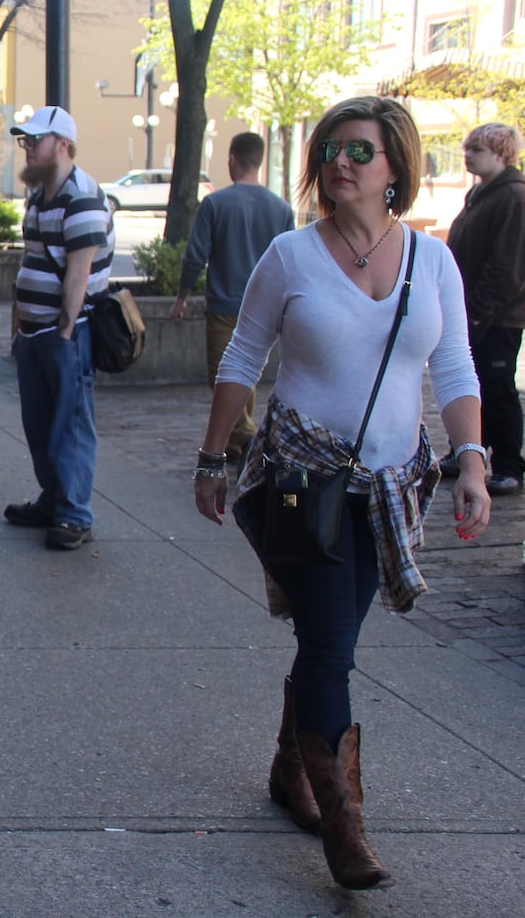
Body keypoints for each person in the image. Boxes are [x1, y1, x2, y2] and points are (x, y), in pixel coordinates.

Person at [194, 96, 488, 890]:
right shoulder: (291, 256)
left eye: (359, 151)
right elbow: (241, 359)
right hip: (301, 481)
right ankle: (344, 824)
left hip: (392, 487)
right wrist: (213, 459)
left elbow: (455, 367)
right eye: (330, 150)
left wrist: (471, 458)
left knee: (331, 644)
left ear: (397, 165)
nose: (340, 164)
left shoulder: (434, 261)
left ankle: (292, 765)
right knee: (330, 646)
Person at [3, 105, 113, 550]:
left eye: (35, 141)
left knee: (69, 425)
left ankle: (74, 514)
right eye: (24, 141)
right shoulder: (39, 196)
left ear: (62, 145)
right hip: (35, 333)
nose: (27, 149)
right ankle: (53, 500)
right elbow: (31, 262)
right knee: (39, 423)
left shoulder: (81, 196)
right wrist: (20, 326)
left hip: (64, 333)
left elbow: (78, 275)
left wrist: (65, 334)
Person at [172, 131, 295, 460]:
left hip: (225, 304)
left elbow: (196, 255)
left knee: (223, 375)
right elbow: (291, 262)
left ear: (231, 159)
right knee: (249, 377)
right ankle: (236, 443)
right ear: (260, 160)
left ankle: (252, 439)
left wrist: (182, 295)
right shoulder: (281, 209)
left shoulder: (215, 203)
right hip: (266, 307)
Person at [442, 122, 525, 496]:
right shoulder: (482, 193)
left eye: (477, 148)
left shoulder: (513, 198)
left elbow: (508, 270)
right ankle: (466, 451)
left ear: (500, 153)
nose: (467, 154)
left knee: (497, 388)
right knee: (471, 385)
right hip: (473, 312)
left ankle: (508, 464)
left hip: (499, 317)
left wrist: (475, 312)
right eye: (467, 147)